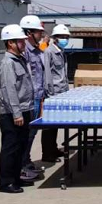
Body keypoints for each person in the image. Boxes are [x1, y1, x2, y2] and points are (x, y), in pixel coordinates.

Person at [0, 24, 34, 194]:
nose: (24, 44)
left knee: (20, 146)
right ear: (10, 43)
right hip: (12, 113)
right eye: (20, 41)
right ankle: (6, 182)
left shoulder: (20, 60)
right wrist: (17, 113)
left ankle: (16, 178)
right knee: (10, 148)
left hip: (24, 109)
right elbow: (9, 90)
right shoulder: (7, 64)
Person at [19, 15, 46, 182]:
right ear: (29, 33)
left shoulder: (37, 51)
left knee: (32, 132)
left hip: (38, 96)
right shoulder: (25, 52)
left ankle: (26, 161)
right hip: (29, 99)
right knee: (26, 134)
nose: (41, 35)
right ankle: (22, 164)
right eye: (38, 32)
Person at [40, 24, 70, 163]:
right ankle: (47, 153)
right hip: (53, 93)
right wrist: (49, 93)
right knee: (49, 125)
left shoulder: (61, 52)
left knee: (55, 124)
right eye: (62, 37)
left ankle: (53, 148)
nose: (65, 39)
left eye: (66, 37)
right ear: (55, 38)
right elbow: (47, 73)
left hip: (61, 92)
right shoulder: (49, 52)